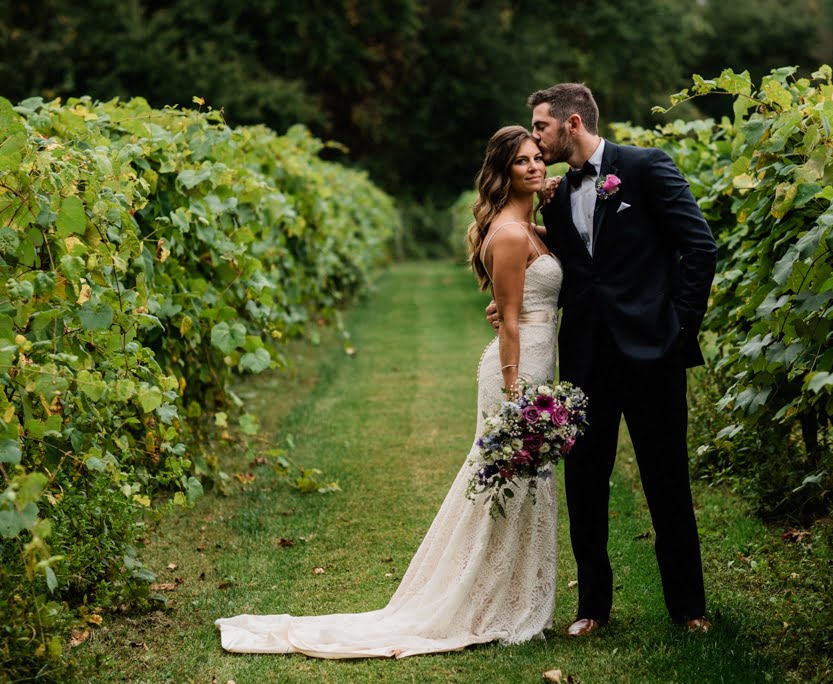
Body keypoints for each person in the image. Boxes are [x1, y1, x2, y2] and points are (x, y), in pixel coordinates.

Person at [215, 125, 563, 658]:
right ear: (503, 172)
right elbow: (510, 323)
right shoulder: (513, 235)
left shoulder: (531, 225)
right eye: (522, 162)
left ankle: (509, 594)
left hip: (538, 362)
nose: (535, 166)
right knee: (505, 485)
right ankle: (488, 600)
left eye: (539, 157)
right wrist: (516, 396)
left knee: (520, 486)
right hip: (516, 372)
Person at [494, 83, 717, 636]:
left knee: (667, 482)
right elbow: (567, 265)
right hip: (587, 358)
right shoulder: (559, 192)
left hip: (653, 353)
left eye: (541, 127)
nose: (536, 139)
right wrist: (514, 306)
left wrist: (678, 324)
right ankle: (592, 607)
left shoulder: (645, 168)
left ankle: (689, 608)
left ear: (571, 124)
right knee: (586, 484)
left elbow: (700, 246)